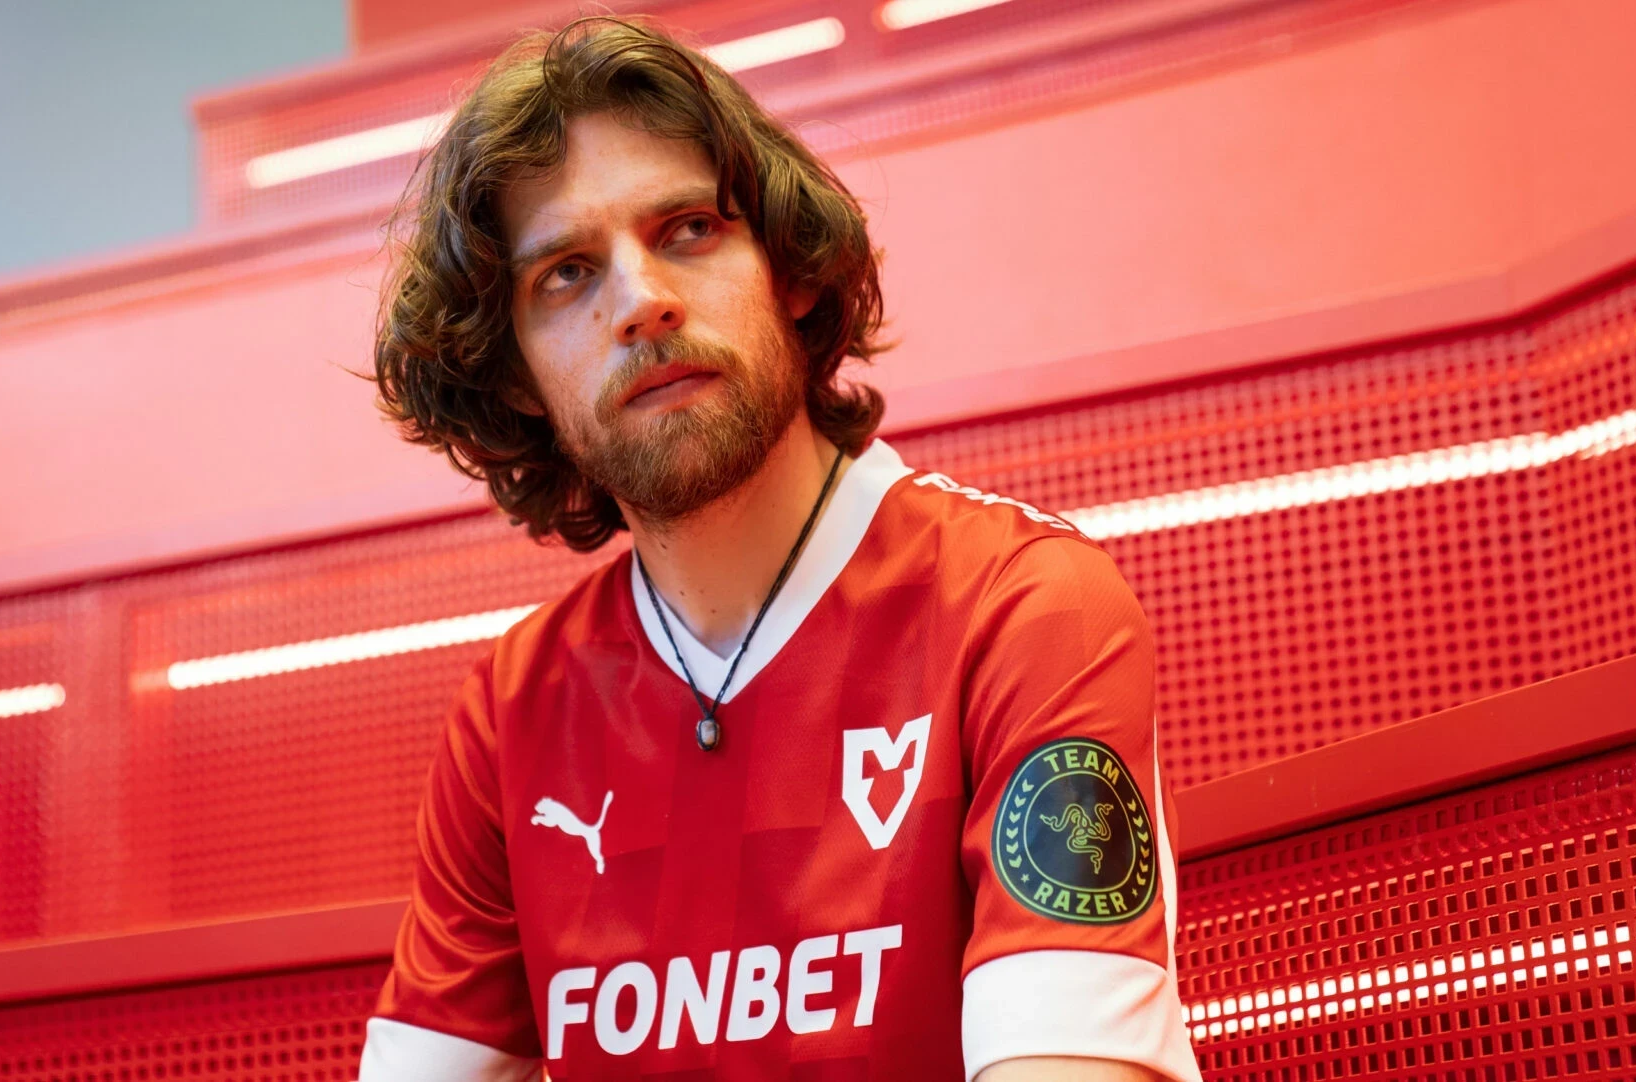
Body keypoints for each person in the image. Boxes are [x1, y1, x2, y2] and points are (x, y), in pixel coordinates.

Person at [357, 15, 1201, 1082]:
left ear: (790, 271)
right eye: (565, 274)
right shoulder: (510, 715)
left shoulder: (1021, 605)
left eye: (688, 229)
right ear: (517, 375)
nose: (641, 302)